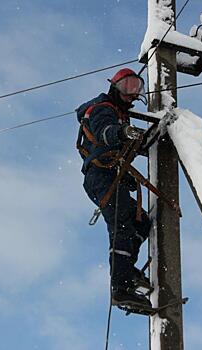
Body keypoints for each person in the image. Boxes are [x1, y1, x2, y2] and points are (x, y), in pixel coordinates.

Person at [76, 68, 152, 309]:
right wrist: (121, 132)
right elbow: (104, 132)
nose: (132, 93)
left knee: (141, 222)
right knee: (121, 222)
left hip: (112, 175)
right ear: (115, 86)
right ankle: (120, 288)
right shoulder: (103, 108)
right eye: (127, 86)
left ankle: (127, 270)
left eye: (136, 88)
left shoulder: (120, 114)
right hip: (100, 175)